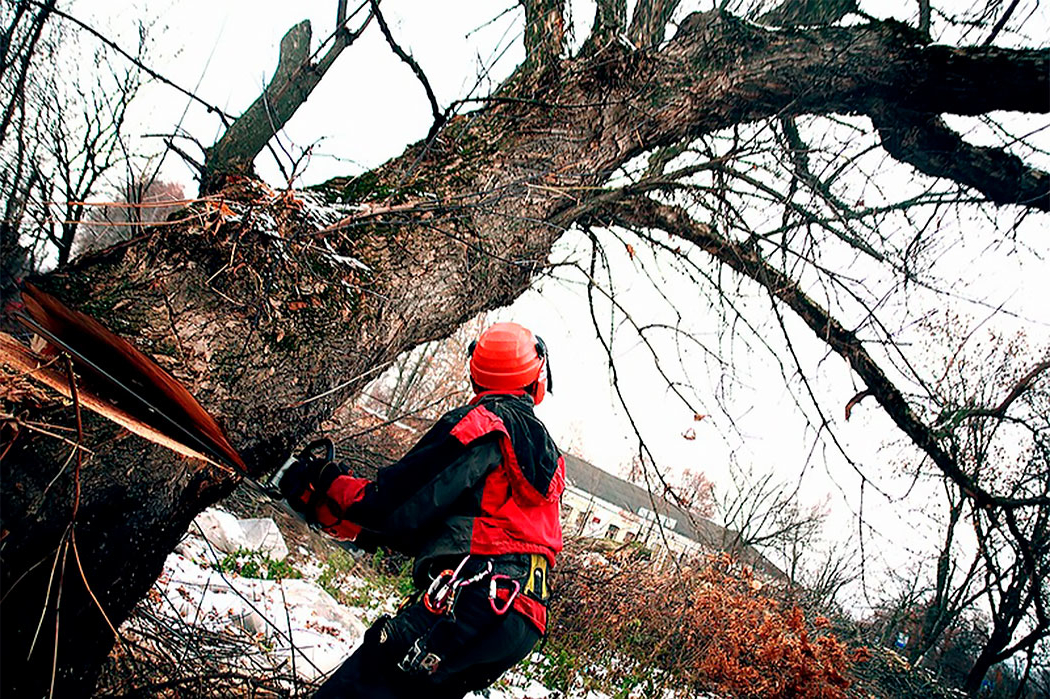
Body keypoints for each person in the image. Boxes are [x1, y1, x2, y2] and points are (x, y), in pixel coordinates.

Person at [279, 322, 565, 698]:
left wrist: (328, 483)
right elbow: (467, 530)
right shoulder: (550, 456)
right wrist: (362, 532)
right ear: (536, 375)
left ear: (476, 374)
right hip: (522, 617)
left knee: (369, 678)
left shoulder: (480, 426)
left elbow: (398, 502)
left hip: (475, 598)